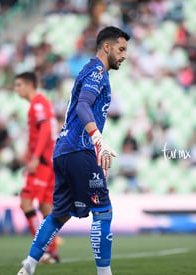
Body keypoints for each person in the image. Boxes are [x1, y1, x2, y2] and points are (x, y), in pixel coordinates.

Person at [17, 25, 130, 275]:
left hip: (63, 151)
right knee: (103, 211)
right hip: (80, 148)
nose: (124, 55)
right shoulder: (98, 72)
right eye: (121, 49)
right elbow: (82, 106)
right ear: (107, 47)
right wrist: (97, 138)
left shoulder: (88, 70)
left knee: (60, 214)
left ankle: (29, 265)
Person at [14, 72, 59, 263]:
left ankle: (43, 250)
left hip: (42, 162)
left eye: (18, 85)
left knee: (25, 202)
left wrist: (35, 157)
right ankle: (52, 251)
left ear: (29, 85)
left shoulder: (38, 103)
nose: (16, 89)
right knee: (45, 206)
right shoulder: (42, 103)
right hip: (49, 161)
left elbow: (46, 129)